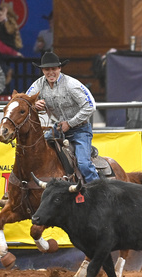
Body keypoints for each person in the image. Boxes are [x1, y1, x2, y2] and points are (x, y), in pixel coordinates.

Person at [26, 52, 100, 183]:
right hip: (58, 128)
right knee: (36, 150)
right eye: (47, 69)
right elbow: (25, 100)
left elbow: (90, 106)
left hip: (80, 130)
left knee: (83, 164)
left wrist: (70, 123)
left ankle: (99, 191)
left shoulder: (71, 84)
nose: (51, 72)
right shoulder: (38, 84)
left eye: (53, 69)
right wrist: (33, 104)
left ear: (59, 68)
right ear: (42, 70)